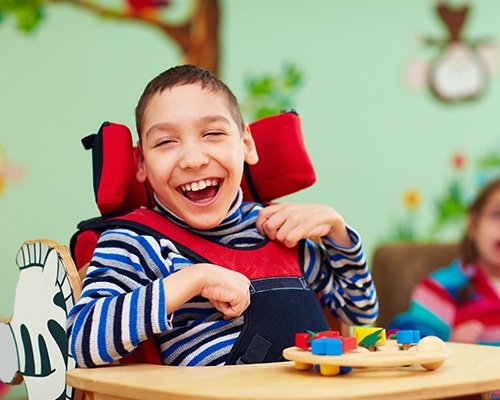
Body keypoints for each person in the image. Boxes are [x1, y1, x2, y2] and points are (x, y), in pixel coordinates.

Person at [67, 64, 378, 367]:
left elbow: (359, 313)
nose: (193, 159)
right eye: (165, 142)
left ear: (246, 144)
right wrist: (193, 279)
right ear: (142, 164)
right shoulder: (135, 242)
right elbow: (78, 341)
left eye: (212, 133)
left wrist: (338, 231)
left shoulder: (279, 229)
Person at [388, 178, 500, 346]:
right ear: (472, 224)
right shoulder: (441, 289)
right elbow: (398, 342)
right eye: (497, 213)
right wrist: (450, 344)